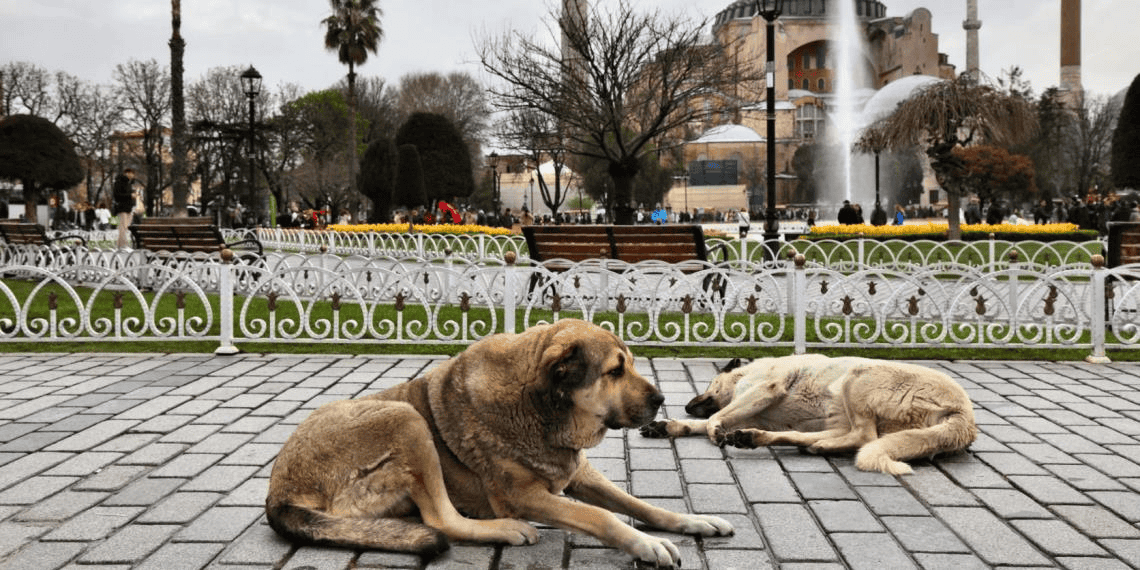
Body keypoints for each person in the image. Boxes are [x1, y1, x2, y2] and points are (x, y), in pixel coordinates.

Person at [111, 168, 137, 248]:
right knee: (123, 227)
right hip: (122, 208)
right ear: (127, 173)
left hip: (129, 208)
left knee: (125, 227)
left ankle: (120, 245)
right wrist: (130, 195)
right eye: (131, 173)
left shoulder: (129, 184)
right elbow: (117, 196)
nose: (133, 176)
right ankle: (123, 245)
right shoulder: (119, 182)